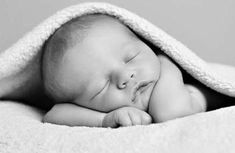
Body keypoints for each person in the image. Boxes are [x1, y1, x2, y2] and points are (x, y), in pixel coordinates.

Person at [41, 14, 234, 127]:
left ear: (149, 45)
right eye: (101, 87)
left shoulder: (171, 77)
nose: (125, 76)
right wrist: (105, 119)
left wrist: (166, 62)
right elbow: (53, 115)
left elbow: (172, 112)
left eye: (131, 57)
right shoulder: (99, 111)